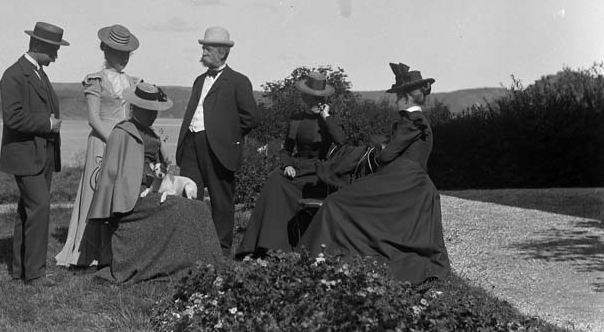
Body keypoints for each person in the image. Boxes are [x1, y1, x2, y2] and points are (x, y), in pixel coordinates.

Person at [297, 63, 451, 285]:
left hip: (402, 180)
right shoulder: (416, 121)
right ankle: (332, 257)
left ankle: (314, 258)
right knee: (347, 204)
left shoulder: (412, 122)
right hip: (409, 182)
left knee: (336, 203)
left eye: (397, 96)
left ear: (406, 98)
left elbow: (386, 157)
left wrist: (379, 149)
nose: (395, 101)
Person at [85, 82, 223, 283]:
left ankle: (207, 265)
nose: (153, 115)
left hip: (153, 191)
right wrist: (109, 208)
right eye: (148, 110)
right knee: (184, 209)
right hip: (131, 198)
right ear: (135, 108)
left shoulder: (151, 134)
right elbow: (110, 172)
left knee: (198, 208)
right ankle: (188, 265)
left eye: (155, 110)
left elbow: (162, 170)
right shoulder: (122, 132)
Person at [55, 24, 140, 268]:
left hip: (124, 143)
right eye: (118, 53)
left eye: (126, 54)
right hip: (103, 142)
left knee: (120, 192)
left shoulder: (133, 81)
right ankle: (87, 250)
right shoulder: (96, 80)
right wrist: (114, 140)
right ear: (106, 50)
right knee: (97, 191)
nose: (123, 59)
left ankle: (115, 251)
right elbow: (93, 118)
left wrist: (128, 141)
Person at [237, 71, 346, 256]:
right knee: (274, 181)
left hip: (318, 172)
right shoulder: (296, 119)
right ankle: (265, 244)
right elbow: (285, 150)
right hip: (296, 168)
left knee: (293, 187)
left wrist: (326, 117)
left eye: (320, 98)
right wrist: (287, 165)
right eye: (313, 98)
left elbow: (341, 141)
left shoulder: (331, 119)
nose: (317, 102)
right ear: (305, 98)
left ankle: (288, 245)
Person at [176, 26, 260, 256]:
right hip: (191, 144)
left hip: (219, 149)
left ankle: (221, 250)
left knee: (221, 200)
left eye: (208, 48)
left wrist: (227, 136)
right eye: (203, 48)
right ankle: (189, 248)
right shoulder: (198, 80)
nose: (203, 52)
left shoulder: (238, 81)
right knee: (188, 196)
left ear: (222, 52)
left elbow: (251, 118)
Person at [0, 21, 69, 287]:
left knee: (27, 211)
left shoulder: (39, 73)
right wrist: (47, 124)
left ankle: (21, 270)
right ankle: (36, 274)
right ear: (38, 45)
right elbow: (13, 118)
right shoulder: (14, 75)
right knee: (39, 207)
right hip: (26, 156)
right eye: (54, 50)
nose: (56, 56)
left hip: (43, 154)